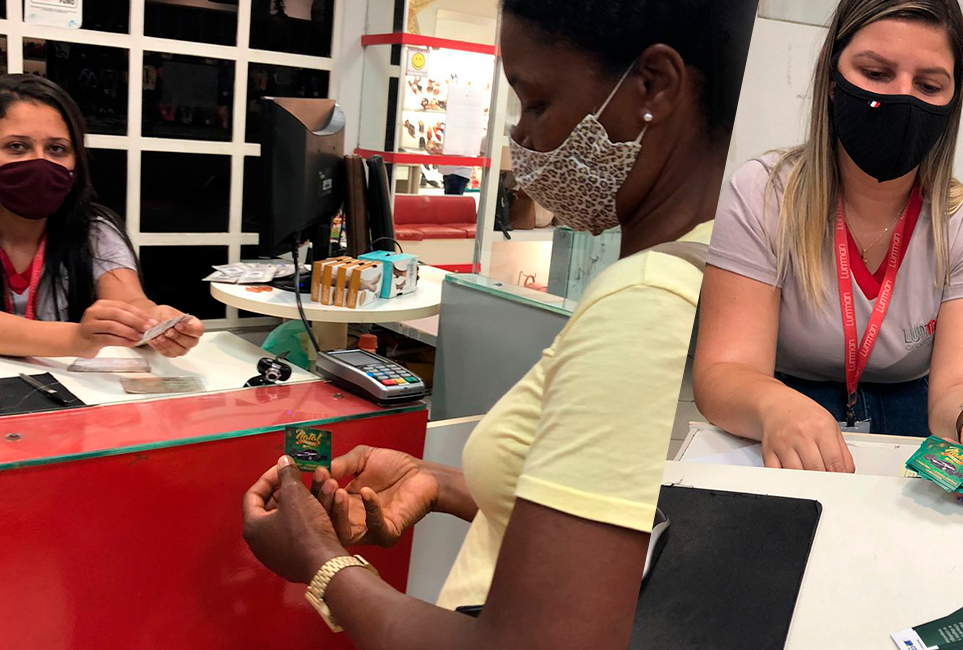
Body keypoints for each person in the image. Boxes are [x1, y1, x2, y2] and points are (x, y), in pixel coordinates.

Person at [241, 1, 756, 647]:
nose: (525, 141)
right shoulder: (730, 270)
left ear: (652, 85)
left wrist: (319, 561)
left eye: (536, 103)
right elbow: (619, 523)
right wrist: (440, 483)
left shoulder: (644, 302)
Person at [693, 0, 963, 475]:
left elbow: (961, 382)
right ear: (832, 80)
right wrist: (774, 405)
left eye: (929, 85)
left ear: (952, 101)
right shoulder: (764, 196)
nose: (901, 97)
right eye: (875, 73)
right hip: (781, 402)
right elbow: (723, 372)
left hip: (912, 411)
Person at [0, 74, 203, 359]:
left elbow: (130, 300)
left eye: (57, 149)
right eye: (17, 146)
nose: (40, 162)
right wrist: (78, 338)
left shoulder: (92, 228)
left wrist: (154, 323)